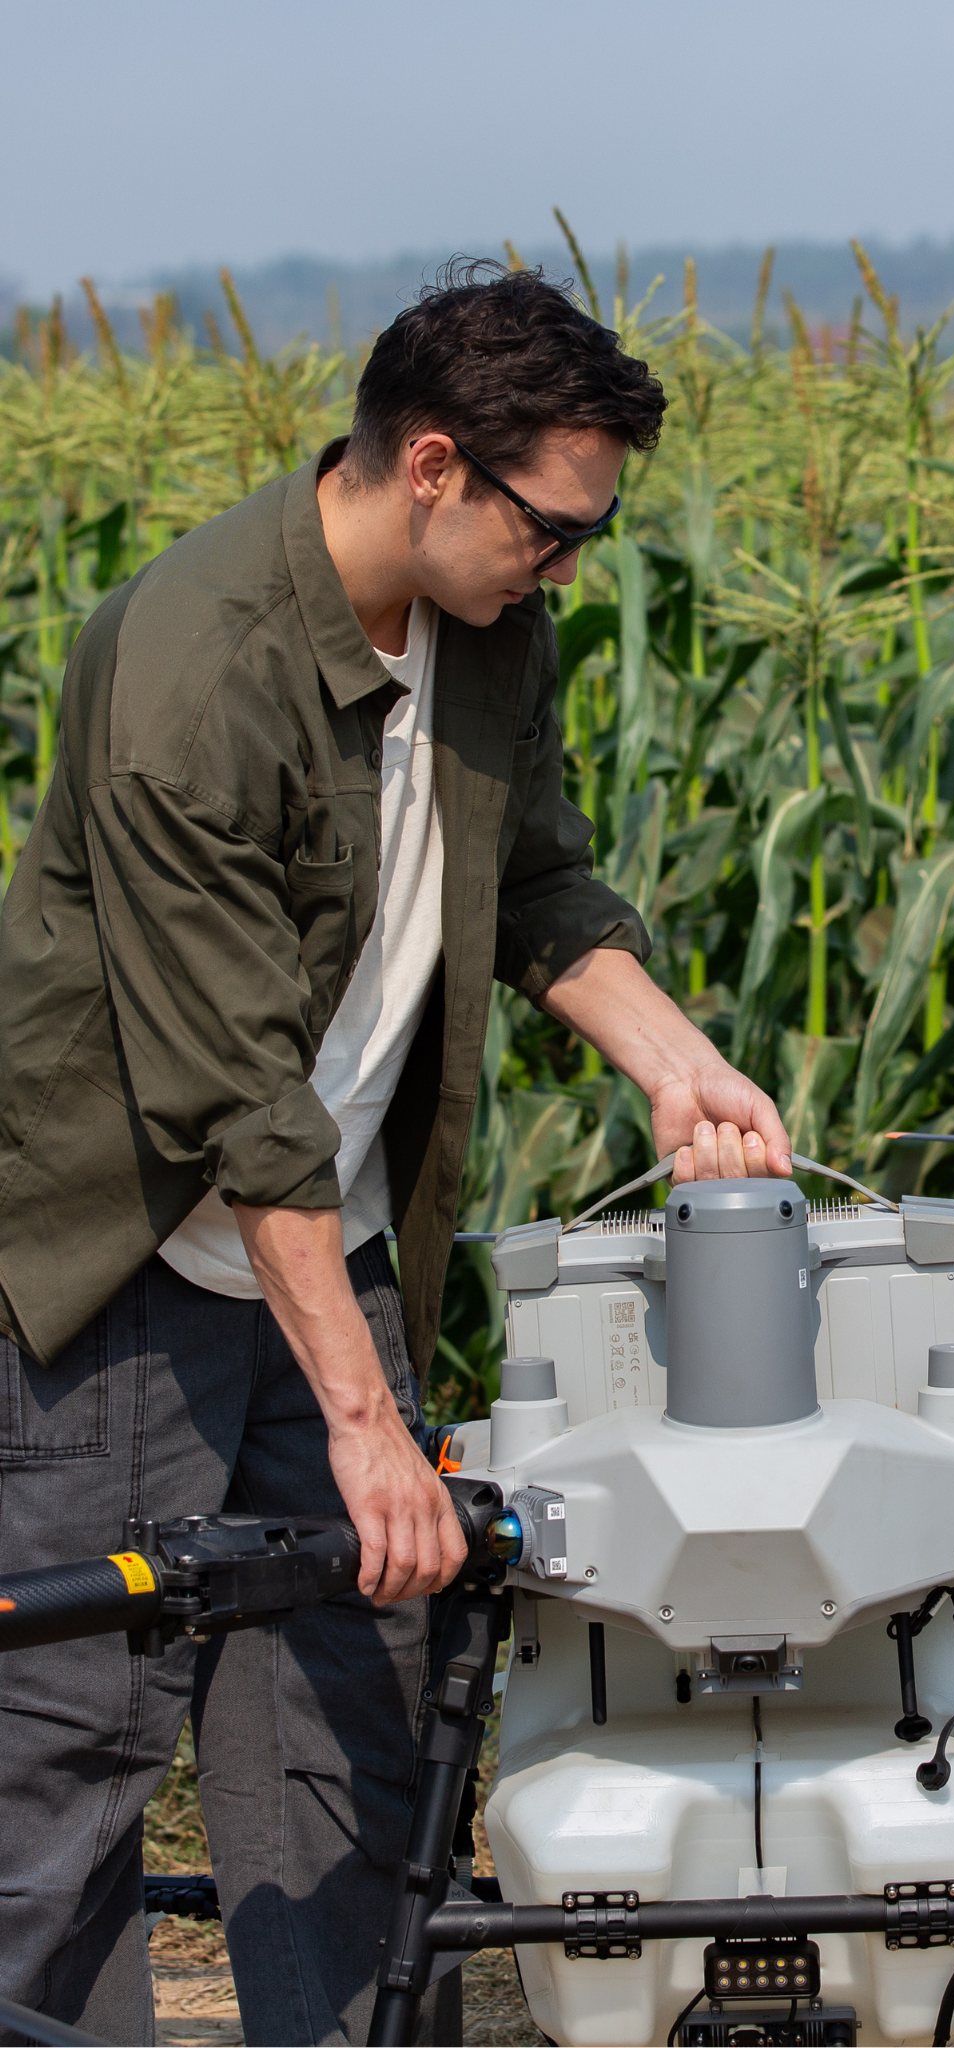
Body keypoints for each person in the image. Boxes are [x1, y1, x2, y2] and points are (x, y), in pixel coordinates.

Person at [0, 263, 791, 2044]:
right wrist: (369, 1427)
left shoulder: (493, 630)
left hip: (319, 1242)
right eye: (552, 525)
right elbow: (237, 1105)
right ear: (432, 465)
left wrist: (681, 1067)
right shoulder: (188, 671)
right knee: (68, 1763)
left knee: (359, 1727)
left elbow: (535, 881)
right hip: (121, 1269)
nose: (568, 565)